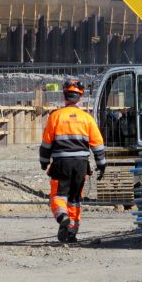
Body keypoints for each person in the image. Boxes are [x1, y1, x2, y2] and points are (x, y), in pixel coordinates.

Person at [39, 79, 106, 244]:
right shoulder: (87, 118)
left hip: (62, 163)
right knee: (75, 199)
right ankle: (71, 233)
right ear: (80, 97)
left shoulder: (55, 116)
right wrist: (101, 164)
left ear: (64, 96)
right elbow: (97, 144)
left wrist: (44, 161)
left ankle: (62, 216)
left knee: (58, 196)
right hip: (81, 165)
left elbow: (46, 143)